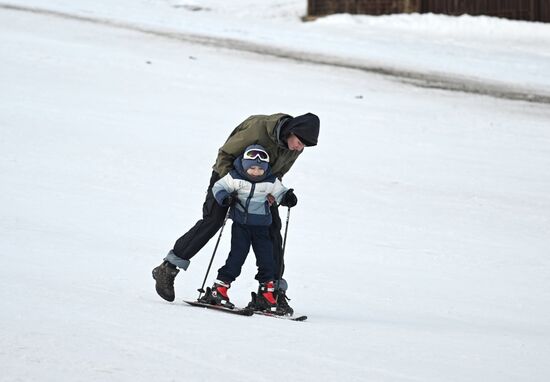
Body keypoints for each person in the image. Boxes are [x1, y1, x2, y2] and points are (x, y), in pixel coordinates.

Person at [152, 112, 320, 313]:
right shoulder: (259, 128)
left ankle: (271, 292)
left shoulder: (296, 145)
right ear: (291, 131)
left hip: (262, 185)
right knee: (213, 220)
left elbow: (280, 171)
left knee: (272, 229)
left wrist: (275, 192)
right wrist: (229, 187)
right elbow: (225, 155)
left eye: (304, 146)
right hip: (228, 177)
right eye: (299, 143)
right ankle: (168, 267)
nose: (299, 148)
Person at [198, 144, 297, 315]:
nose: (256, 171)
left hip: (262, 228)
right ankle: (218, 290)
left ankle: (266, 295)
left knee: (267, 261)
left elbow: (281, 191)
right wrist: (225, 198)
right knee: (236, 259)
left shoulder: (270, 181)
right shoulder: (235, 177)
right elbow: (218, 187)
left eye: (260, 168)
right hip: (241, 227)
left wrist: (287, 197)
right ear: (244, 165)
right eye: (252, 167)